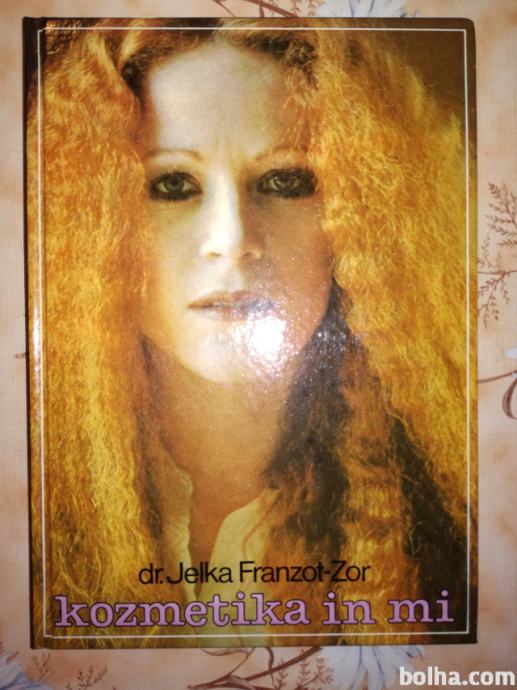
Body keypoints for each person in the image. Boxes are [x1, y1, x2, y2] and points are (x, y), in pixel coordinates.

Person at [27, 17, 473, 647]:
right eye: (172, 185)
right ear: (91, 220)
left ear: (362, 218)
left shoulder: (462, 523)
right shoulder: (23, 508)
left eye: (285, 181)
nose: (233, 241)